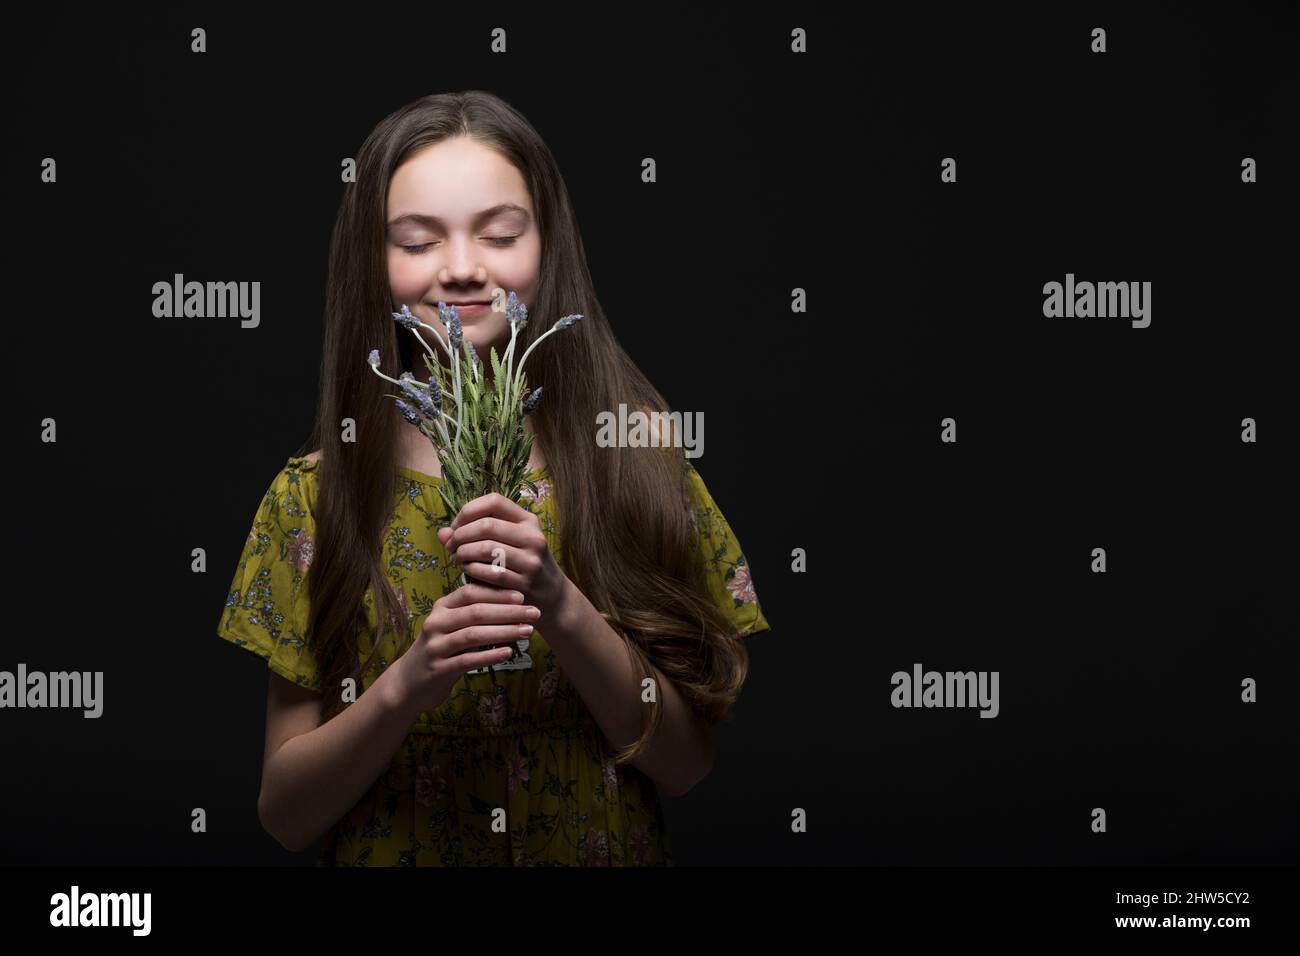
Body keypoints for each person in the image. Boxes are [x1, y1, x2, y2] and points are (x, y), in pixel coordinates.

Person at [216, 90, 770, 866]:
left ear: (548, 244)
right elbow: (286, 815)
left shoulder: (634, 458)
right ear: (370, 263)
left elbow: (686, 765)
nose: (465, 267)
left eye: (501, 233)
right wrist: (410, 682)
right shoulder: (314, 498)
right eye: (417, 240)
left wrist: (558, 602)